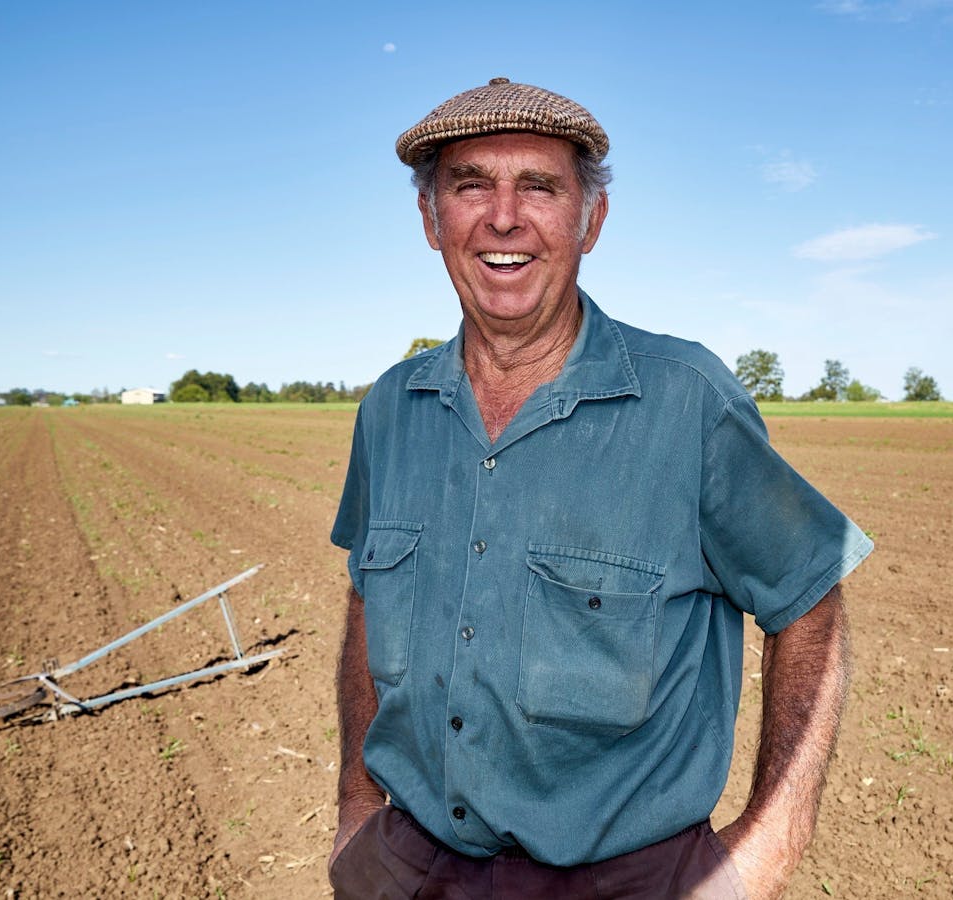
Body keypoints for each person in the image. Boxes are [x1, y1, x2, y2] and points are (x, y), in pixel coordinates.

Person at [328, 77, 872, 899]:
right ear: (430, 220)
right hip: (410, 864)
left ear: (591, 220)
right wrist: (354, 811)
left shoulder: (686, 400)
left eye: (539, 187)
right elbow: (365, 599)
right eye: (470, 184)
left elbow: (808, 602)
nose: (503, 216)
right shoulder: (390, 409)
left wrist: (768, 849)